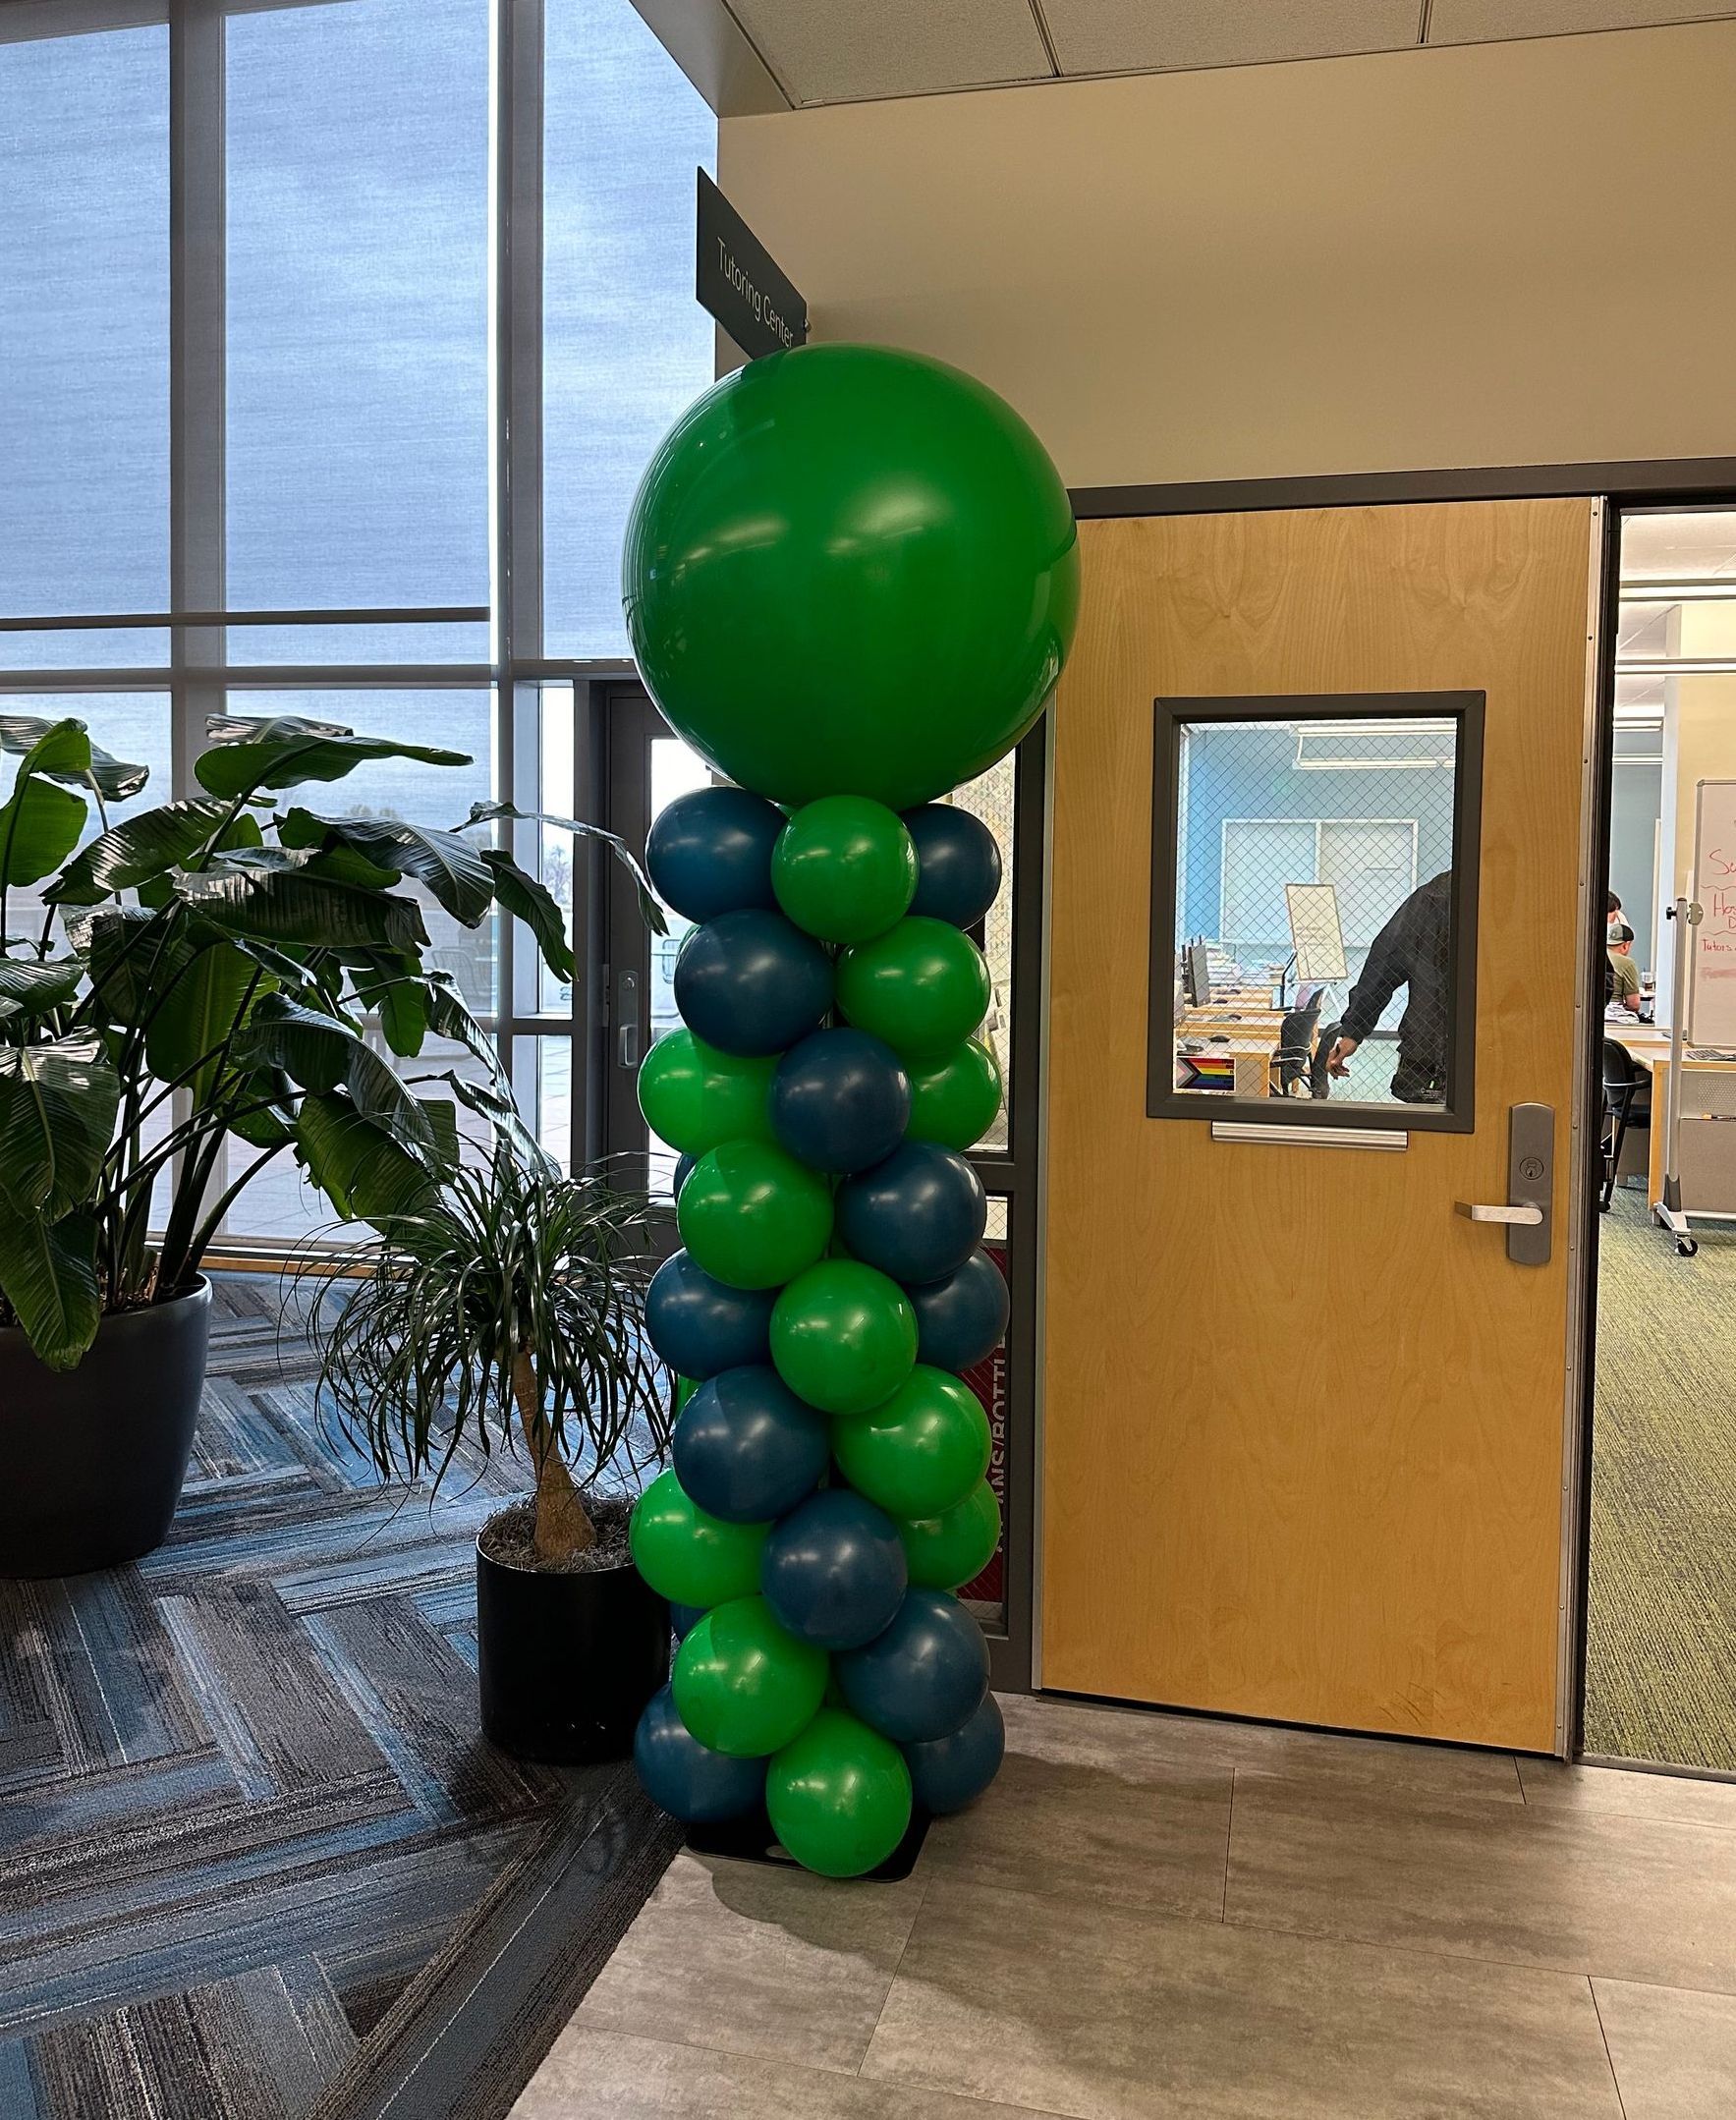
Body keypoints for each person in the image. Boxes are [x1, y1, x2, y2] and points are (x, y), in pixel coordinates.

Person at [1326, 870, 1453, 1103]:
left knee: (1426, 1134)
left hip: (1429, 1049)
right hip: (1492, 1050)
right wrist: (1353, 1031)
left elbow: (1384, 964)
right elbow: (1385, 964)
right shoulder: (1523, 892)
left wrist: (1354, 1030)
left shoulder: (1434, 896)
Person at [1607, 921, 1642, 1013]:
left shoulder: (1593, 955)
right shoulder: (1627, 963)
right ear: (1626, 945)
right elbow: (1634, 1004)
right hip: (1615, 1015)